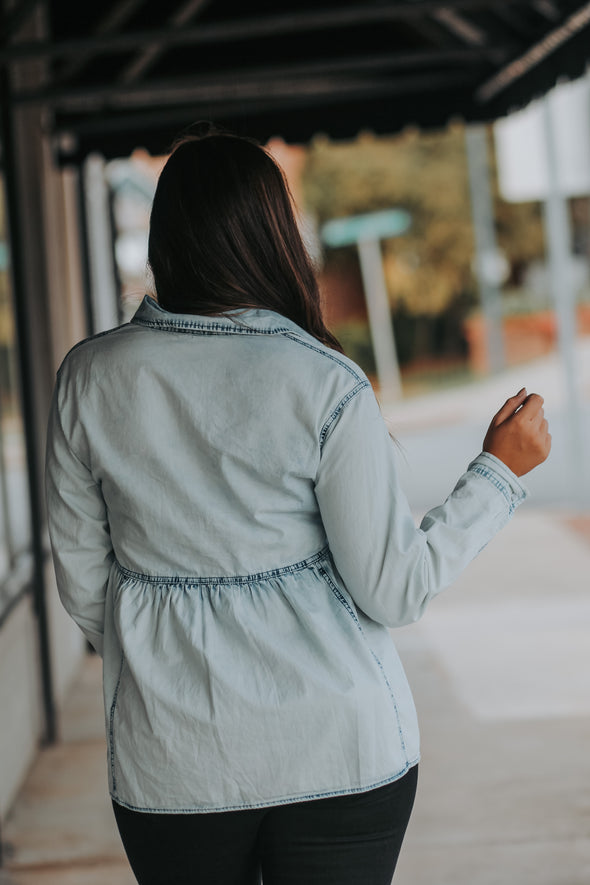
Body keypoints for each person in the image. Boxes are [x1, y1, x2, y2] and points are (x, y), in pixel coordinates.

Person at [45, 130, 551, 885]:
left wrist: (165, 661)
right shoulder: (322, 380)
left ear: (164, 240)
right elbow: (393, 588)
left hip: (173, 766)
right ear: (274, 236)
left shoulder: (89, 378)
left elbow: (87, 587)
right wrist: (497, 476)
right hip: (341, 754)